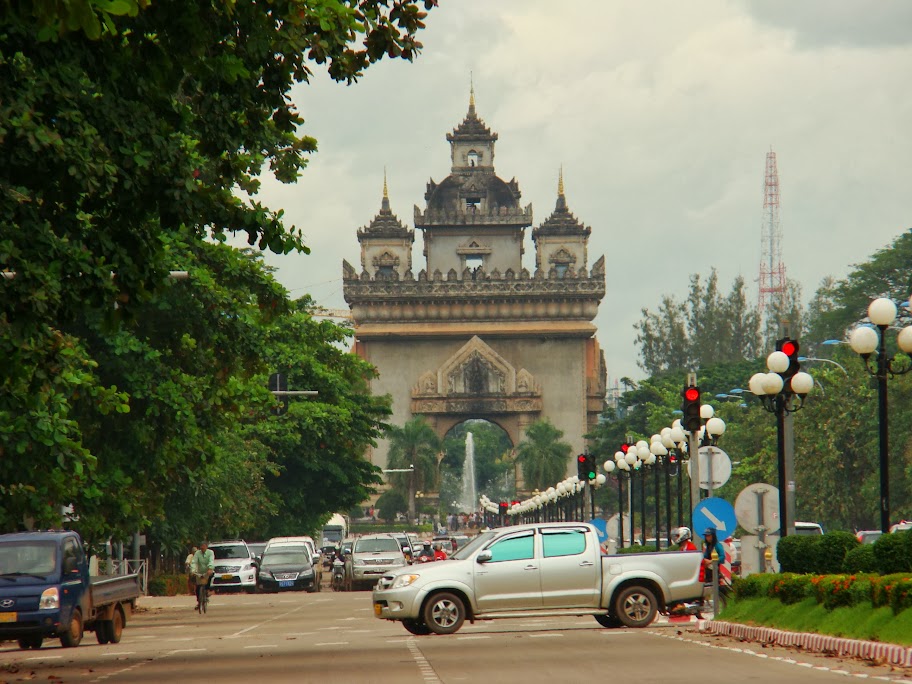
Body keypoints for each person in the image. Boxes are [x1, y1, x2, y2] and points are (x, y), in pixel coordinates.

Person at [190, 541, 215, 611]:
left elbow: (211, 561)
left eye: (203, 546)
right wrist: (193, 570)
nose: (202, 548)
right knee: (198, 587)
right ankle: (199, 601)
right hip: (199, 572)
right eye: (201, 547)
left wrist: (210, 568)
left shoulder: (210, 553)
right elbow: (194, 562)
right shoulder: (197, 553)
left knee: (210, 577)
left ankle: (207, 591)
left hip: (208, 571)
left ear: (206, 547)